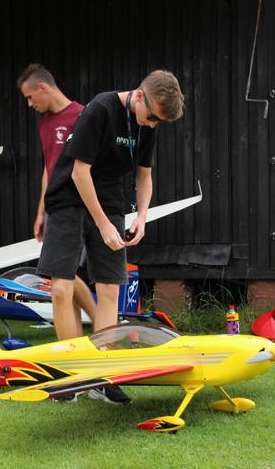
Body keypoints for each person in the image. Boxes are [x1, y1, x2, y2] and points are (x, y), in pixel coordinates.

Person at [38, 70, 184, 404]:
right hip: (68, 200)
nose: (152, 125)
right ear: (139, 96)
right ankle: (70, 377)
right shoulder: (100, 109)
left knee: (109, 289)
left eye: (159, 122)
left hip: (110, 203)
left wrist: (142, 216)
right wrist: (103, 225)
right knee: (61, 289)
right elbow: (79, 172)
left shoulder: (147, 124)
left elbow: (144, 176)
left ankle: (101, 379)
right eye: (152, 117)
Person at [16, 63, 98, 339]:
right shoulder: (45, 123)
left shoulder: (82, 115)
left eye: (30, 97)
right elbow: (48, 168)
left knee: (62, 278)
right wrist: (41, 211)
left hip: (77, 208)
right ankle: (82, 340)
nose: (30, 104)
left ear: (43, 87)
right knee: (61, 277)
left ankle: (100, 323)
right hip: (55, 208)